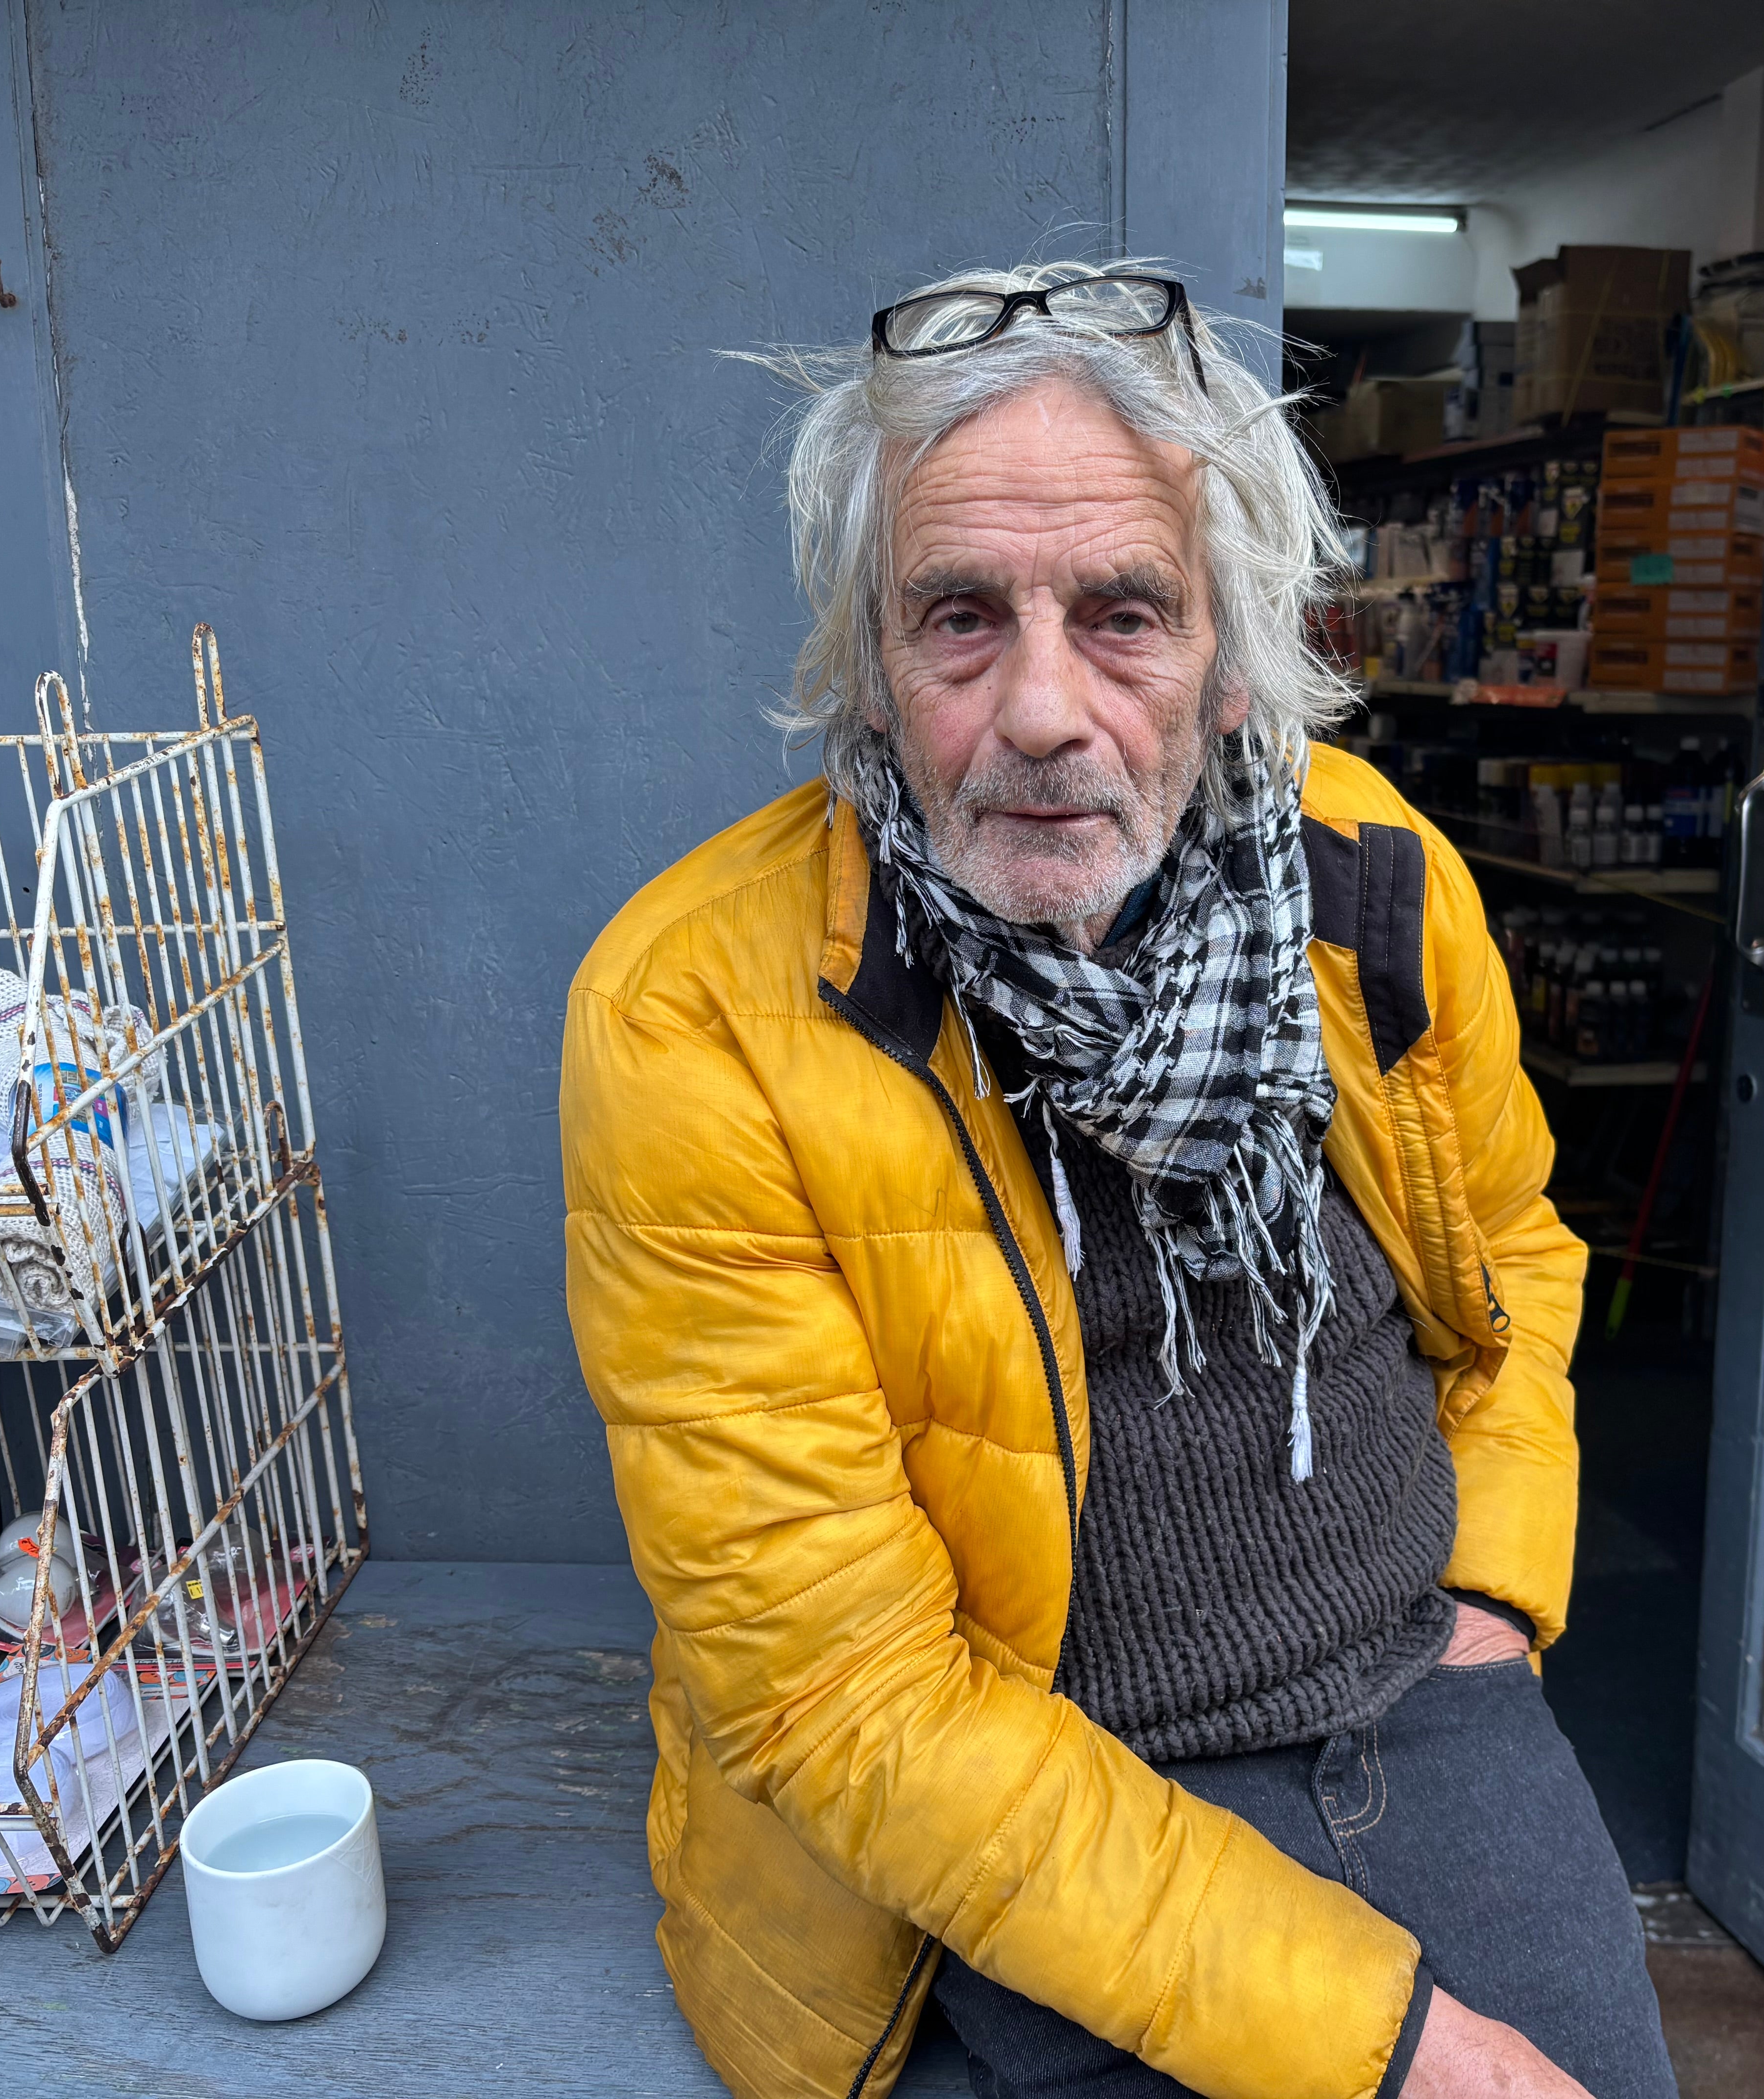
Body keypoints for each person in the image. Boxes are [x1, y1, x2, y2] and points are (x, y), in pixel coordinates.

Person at [562, 262, 1675, 2099]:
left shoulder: (1374, 880)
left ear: (1231, 650)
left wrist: (1492, 1597)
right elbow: (853, 1698)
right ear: (869, 658)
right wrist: (1394, 2048)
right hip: (1025, 1787)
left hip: (1418, 1684)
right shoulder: (696, 1018)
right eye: (959, 619)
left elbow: (1521, 1258)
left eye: (1126, 614)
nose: (1045, 712)